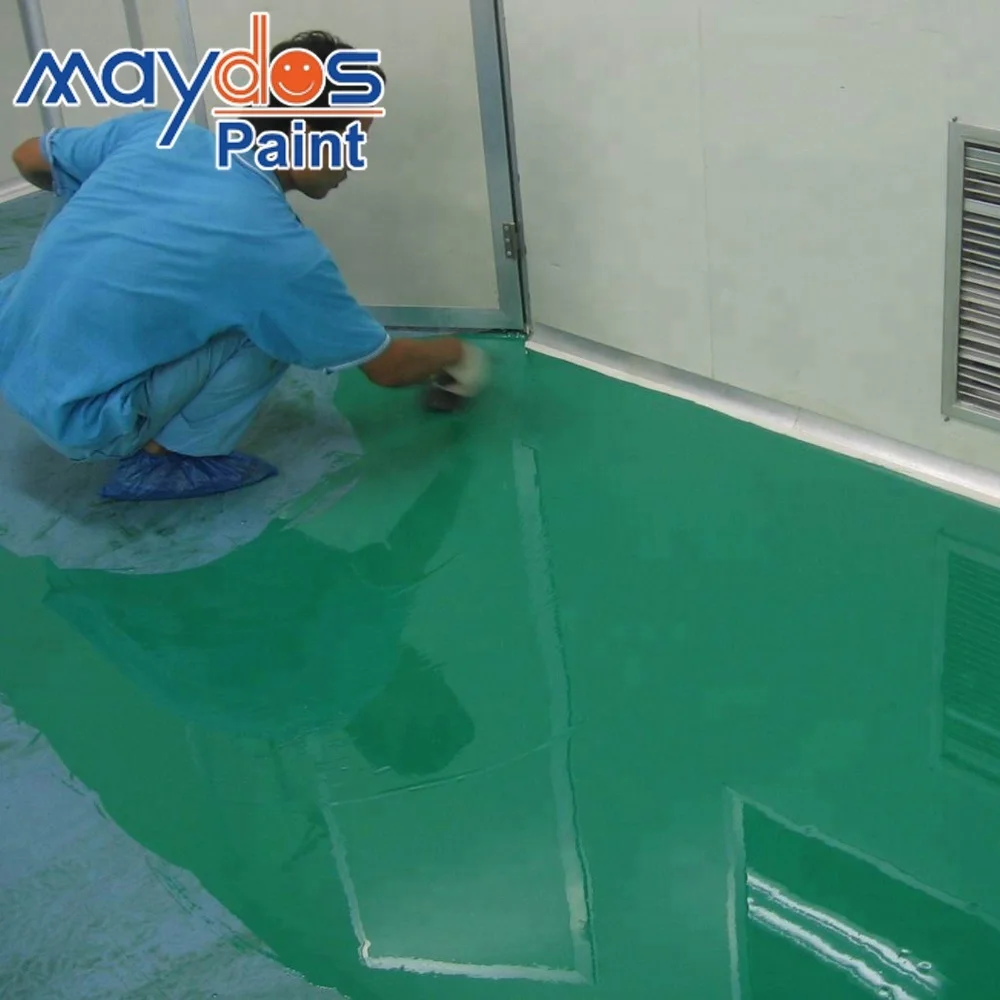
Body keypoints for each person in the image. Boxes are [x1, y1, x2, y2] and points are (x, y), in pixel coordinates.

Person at [0, 30, 488, 503]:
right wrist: (457, 353)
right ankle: (171, 460)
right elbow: (387, 368)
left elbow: (27, 156)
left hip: (12, 346)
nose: (354, 161)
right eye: (353, 140)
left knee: (106, 241)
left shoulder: (158, 132)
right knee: (267, 325)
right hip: (82, 420)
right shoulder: (277, 249)